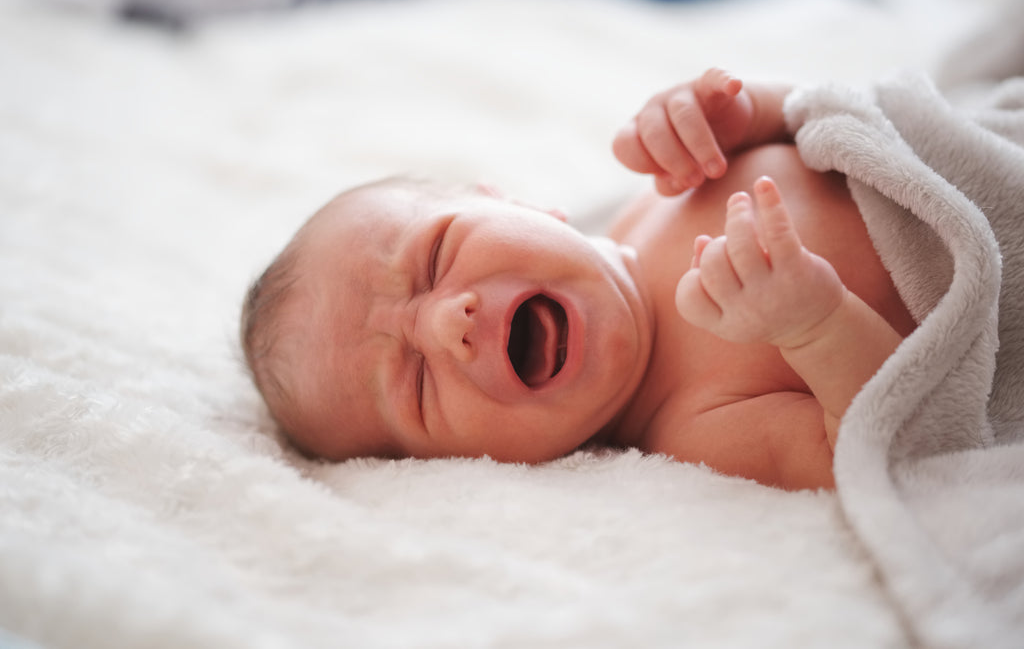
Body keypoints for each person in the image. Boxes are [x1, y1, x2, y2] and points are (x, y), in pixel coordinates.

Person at [240, 68, 917, 490]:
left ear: (515, 203)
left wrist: (742, 115)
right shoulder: (694, 426)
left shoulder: (662, 187)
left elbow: (813, 117)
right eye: (416, 384)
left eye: (437, 254)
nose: (449, 324)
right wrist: (815, 324)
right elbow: (878, 442)